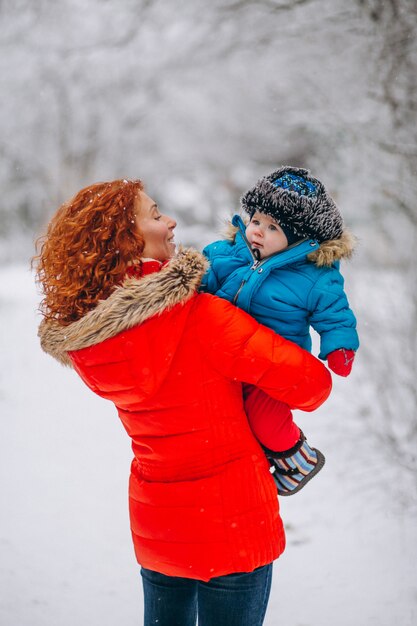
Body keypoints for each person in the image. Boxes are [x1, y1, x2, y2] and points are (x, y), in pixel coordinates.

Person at [35, 178, 332, 626]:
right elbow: (311, 385)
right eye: (155, 215)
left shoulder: (91, 340)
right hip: (233, 524)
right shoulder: (201, 318)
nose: (170, 220)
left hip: (159, 526)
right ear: (126, 237)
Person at [202, 166, 359, 495]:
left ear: (299, 240)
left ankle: (298, 461)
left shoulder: (315, 276)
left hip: (272, 365)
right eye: (256, 220)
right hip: (225, 353)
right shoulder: (228, 253)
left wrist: (340, 345)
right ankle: (242, 464)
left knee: (265, 420)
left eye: (272, 227)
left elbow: (334, 310)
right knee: (221, 415)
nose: (257, 231)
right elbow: (202, 278)